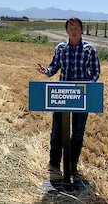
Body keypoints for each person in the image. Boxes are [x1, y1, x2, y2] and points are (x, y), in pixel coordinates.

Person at [37, 17, 100, 178]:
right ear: (66, 30)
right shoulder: (60, 48)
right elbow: (54, 66)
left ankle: (71, 167)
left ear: (81, 30)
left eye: (77, 28)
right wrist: (47, 71)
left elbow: (95, 72)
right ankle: (54, 166)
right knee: (57, 131)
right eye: (71, 28)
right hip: (62, 95)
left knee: (77, 133)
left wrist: (87, 86)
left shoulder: (90, 49)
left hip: (82, 96)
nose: (74, 30)